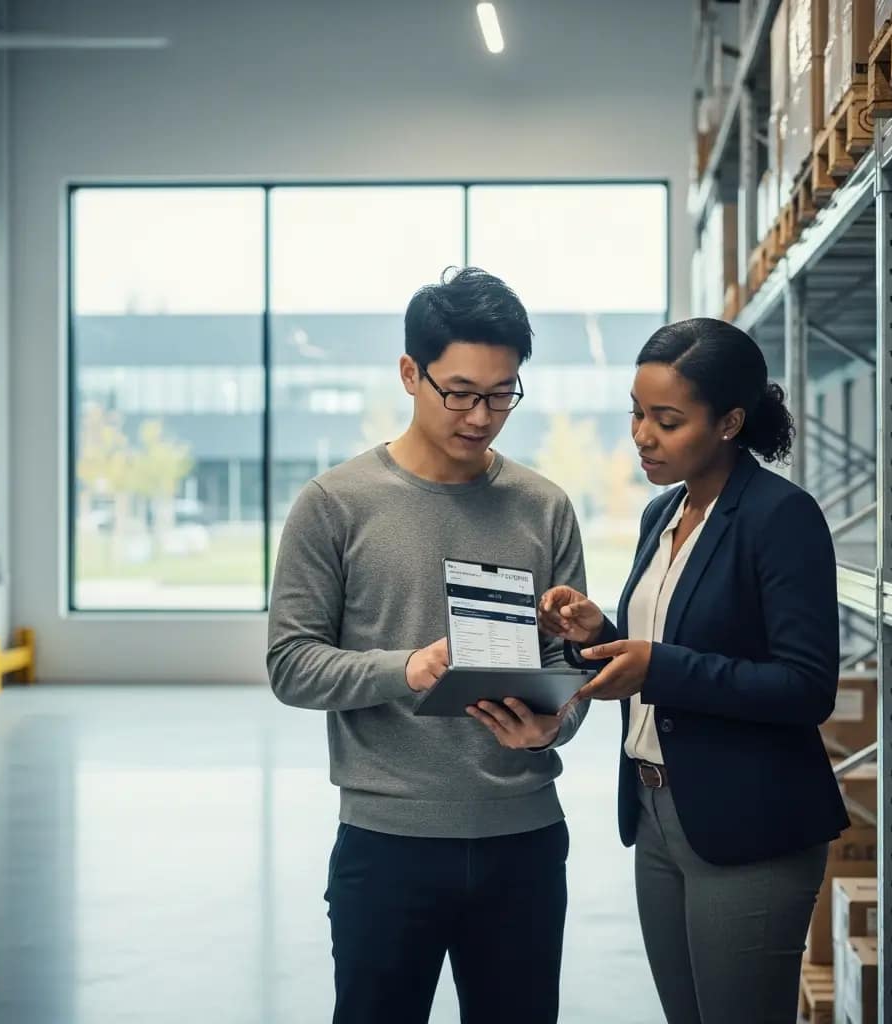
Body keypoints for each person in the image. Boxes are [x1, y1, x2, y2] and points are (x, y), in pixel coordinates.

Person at [267, 266, 588, 1024]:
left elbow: (571, 665)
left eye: (502, 393)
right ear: (410, 373)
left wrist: (559, 718)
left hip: (526, 840)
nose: (481, 415)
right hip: (388, 846)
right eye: (461, 391)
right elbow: (290, 663)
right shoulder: (334, 505)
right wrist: (404, 668)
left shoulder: (544, 506)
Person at [539, 317, 849, 1024]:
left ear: (730, 422)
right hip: (656, 812)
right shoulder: (663, 513)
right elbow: (674, 648)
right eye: (637, 414)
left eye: (667, 420)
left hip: (749, 827)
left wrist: (656, 666)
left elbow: (806, 687)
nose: (642, 435)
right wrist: (604, 635)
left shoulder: (781, 516)